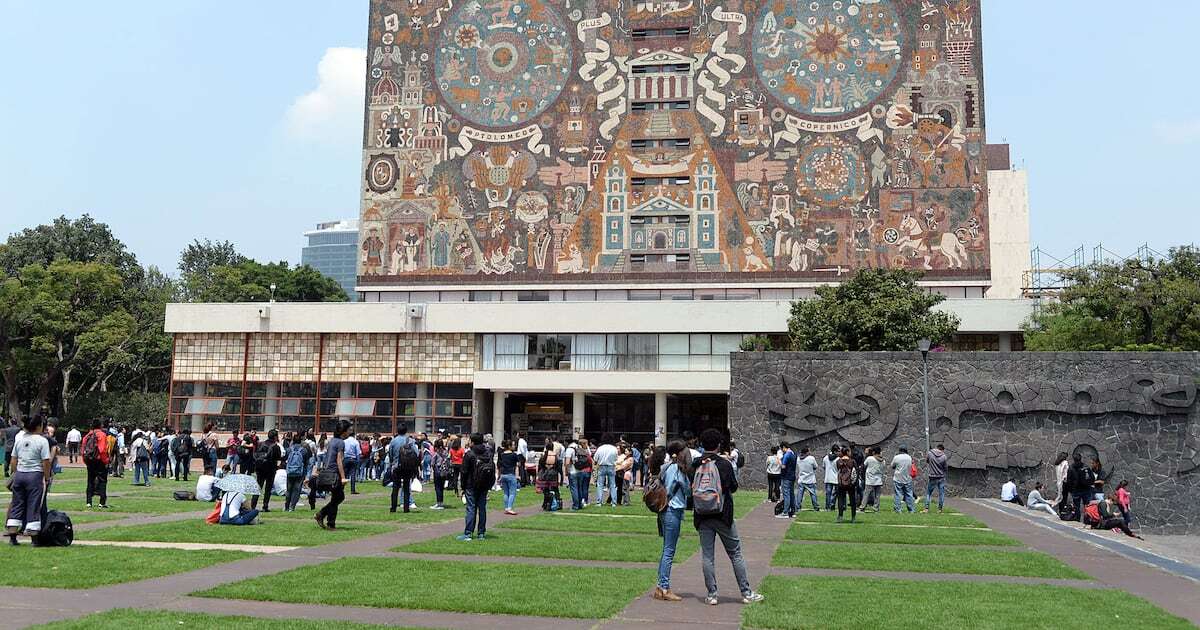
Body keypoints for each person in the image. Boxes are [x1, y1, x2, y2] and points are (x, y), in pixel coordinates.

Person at [690, 429, 763, 606]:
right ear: (719, 445)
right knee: (735, 553)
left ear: (702, 444)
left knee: (707, 555)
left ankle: (712, 594)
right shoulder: (724, 464)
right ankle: (746, 592)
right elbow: (733, 487)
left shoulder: (696, 464)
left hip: (701, 514)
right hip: (723, 514)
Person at [652, 439, 691, 602]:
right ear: (680, 453)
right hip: (672, 510)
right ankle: (664, 587)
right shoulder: (677, 469)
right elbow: (688, 490)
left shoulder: (665, 467)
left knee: (666, 549)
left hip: (663, 509)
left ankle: (660, 587)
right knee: (669, 550)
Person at [5, 415, 51, 545]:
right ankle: (34, 538)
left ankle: (12, 537)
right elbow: (45, 462)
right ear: (38, 426)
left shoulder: (20, 440)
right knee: (34, 505)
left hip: (20, 475)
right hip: (34, 475)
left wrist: (16, 473)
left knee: (17, 504)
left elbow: (13, 460)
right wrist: (47, 477)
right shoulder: (42, 441)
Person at [316, 420, 351, 530]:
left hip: (328, 471)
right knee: (338, 497)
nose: (349, 432)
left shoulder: (332, 441)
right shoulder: (341, 442)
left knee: (337, 498)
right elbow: (339, 460)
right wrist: (343, 477)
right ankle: (326, 519)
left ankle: (326, 518)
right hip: (334, 473)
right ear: (343, 431)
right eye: (348, 430)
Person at [458, 432, 491, 541]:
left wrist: (462, 486)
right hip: (484, 484)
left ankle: (468, 533)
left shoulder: (469, 454)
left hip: (471, 485)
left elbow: (464, 472)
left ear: (472, 441)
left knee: (471, 508)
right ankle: (481, 533)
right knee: (482, 508)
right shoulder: (487, 453)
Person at [389, 424, 420, 513]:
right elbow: (416, 453)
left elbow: (390, 454)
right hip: (407, 466)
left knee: (395, 488)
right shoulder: (410, 440)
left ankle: (393, 507)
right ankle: (406, 508)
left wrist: (392, 463)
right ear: (406, 431)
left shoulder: (394, 441)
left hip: (396, 466)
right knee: (406, 487)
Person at [82, 419, 111, 509]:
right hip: (99, 460)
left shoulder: (87, 435)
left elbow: (83, 449)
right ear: (100, 426)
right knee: (102, 481)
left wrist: (85, 460)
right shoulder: (102, 435)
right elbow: (102, 450)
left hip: (90, 460)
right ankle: (101, 502)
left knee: (90, 480)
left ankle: (88, 502)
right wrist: (106, 461)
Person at [251, 429, 281, 511]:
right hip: (271, 469)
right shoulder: (275, 446)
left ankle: (253, 505)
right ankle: (265, 506)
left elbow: (255, 454)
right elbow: (279, 457)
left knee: (258, 487)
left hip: (260, 469)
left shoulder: (260, 444)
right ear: (275, 437)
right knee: (268, 488)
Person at [283, 433, 313, 512]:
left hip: (290, 471)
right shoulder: (304, 450)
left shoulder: (289, 449)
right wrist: (306, 473)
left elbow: (285, 459)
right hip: (300, 472)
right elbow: (307, 462)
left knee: (289, 489)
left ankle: (286, 506)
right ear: (301, 441)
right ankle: (292, 507)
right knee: (297, 489)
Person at [1066, 454, 1094, 522]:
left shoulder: (1071, 467)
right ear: (1081, 459)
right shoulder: (1086, 467)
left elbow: (1069, 480)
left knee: (1077, 506)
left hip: (1076, 490)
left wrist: (1070, 490)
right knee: (1087, 505)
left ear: (1074, 459)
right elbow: (1092, 477)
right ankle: (1087, 520)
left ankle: (1077, 519)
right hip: (1086, 489)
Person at [593, 433, 619, 508]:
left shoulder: (600, 448)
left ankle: (599, 502)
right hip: (611, 466)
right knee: (613, 485)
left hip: (602, 466)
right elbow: (616, 458)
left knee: (600, 484)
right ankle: (614, 502)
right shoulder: (614, 448)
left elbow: (595, 459)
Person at [498, 440, 522, 515]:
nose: (515, 446)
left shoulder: (501, 455)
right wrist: (518, 475)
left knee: (506, 492)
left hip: (503, 475)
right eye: (513, 445)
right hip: (511, 474)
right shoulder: (514, 455)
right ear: (509, 446)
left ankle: (506, 507)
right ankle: (509, 508)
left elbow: (499, 466)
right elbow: (518, 465)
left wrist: (499, 476)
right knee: (512, 493)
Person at [835, 447, 857, 523]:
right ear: (847, 452)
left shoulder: (838, 461)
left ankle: (840, 516)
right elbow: (855, 471)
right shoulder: (852, 461)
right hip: (850, 483)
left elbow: (838, 469)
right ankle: (853, 517)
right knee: (852, 500)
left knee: (840, 499)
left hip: (841, 482)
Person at [890, 446, 915, 513]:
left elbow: (892, 466)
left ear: (900, 450)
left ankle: (898, 510)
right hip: (907, 478)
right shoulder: (909, 457)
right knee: (909, 494)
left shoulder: (896, 457)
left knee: (898, 494)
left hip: (898, 478)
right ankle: (911, 510)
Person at [923, 443, 947, 513]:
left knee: (928, 493)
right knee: (941, 494)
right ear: (942, 449)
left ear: (937, 447)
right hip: (941, 477)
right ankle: (939, 509)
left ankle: (926, 509)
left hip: (932, 476)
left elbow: (927, 461)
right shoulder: (944, 456)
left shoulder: (930, 453)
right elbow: (945, 468)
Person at [795, 447, 820, 512]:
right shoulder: (811, 458)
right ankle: (816, 507)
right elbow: (815, 466)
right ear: (807, 452)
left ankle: (797, 507)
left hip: (801, 479)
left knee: (800, 494)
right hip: (810, 479)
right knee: (813, 494)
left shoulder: (798, 459)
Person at [775, 443, 796, 519]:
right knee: (791, 494)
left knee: (786, 494)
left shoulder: (787, 455)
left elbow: (783, 466)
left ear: (784, 447)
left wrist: (778, 460)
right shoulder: (793, 454)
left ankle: (785, 512)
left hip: (786, 477)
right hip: (792, 476)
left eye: (781, 449)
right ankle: (792, 511)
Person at [861, 447, 884, 512]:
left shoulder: (870, 458)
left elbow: (864, 465)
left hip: (870, 480)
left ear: (873, 452)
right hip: (879, 480)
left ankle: (862, 507)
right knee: (877, 496)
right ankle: (876, 508)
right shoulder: (883, 461)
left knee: (866, 494)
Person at [822, 445, 839, 510]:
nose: (839, 452)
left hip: (828, 478)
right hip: (836, 478)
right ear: (835, 451)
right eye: (838, 451)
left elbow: (824, 467)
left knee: (828, 494)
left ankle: (827, 507)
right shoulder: (838, 459)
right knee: (835, 494)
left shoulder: (825, 458)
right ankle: (832, 504)